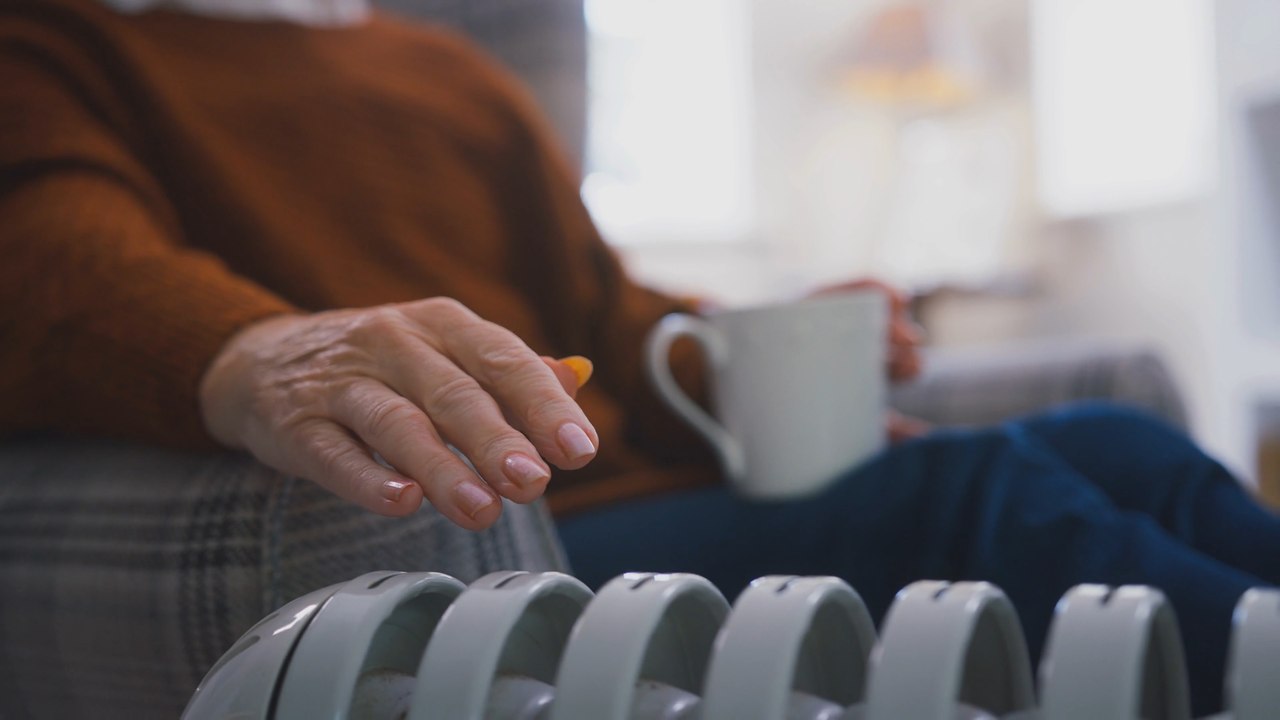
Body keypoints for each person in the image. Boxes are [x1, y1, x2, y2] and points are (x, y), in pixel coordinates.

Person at [0, 0, 1274, 715]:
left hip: (634, 498)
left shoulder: (442, 71)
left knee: (1120, 446)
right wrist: (263, 353)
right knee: (974, 494)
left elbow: (601, 322)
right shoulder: (54, 45)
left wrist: (748, 357)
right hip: (486, 537)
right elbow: (54, 262)